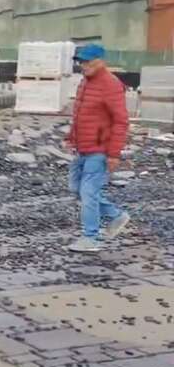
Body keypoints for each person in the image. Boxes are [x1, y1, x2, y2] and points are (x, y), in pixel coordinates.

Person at [66, 44, 131, 253]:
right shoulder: (85, 82)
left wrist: (113, 154)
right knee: (77, 189)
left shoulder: (111, 85)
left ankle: (90, 238)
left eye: (87, 61)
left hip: (99, 150)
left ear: (100, 60)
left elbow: (121, 121)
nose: (83, 65)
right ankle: (115, 215)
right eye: (80, 62)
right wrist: (71, 138)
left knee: (88, 193)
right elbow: (80, 115)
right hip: (82, 147)